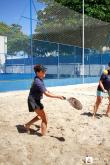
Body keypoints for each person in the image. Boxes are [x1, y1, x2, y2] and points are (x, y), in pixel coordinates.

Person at [24, 64, 64, 135]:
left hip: (35, 100)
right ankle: (43, 135)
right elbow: (46, 94)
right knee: (45, 118)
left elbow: (47, 91)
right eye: (43, 71)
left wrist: (58, 95)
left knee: (40, 116)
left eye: (44, 71)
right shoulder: (38, 82)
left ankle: (27, 124)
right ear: (38, 72)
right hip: (33, 101)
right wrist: (58, 96)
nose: (44, 72)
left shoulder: (39, 79)